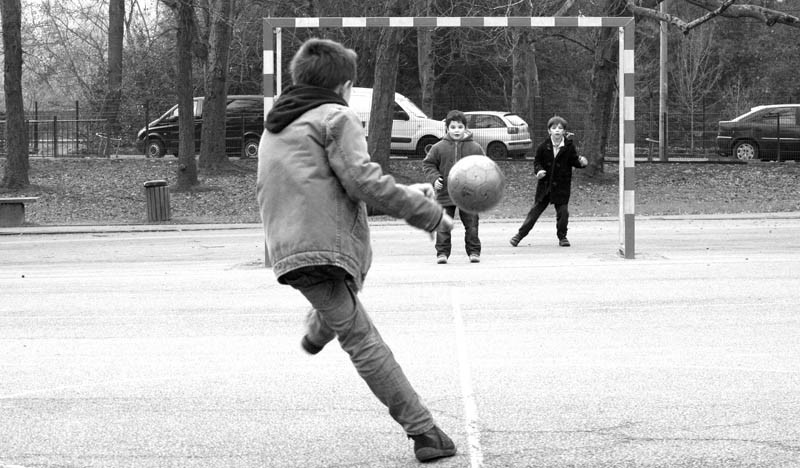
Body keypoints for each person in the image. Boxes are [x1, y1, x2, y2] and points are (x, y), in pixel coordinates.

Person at [256, 38, 457, 463]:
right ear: (345, 86)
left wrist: (411, 192)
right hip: (321, 250)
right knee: (362, 338)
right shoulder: (336, 116)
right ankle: (424, 432)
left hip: (290, 248)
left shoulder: (279, 125)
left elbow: (331, 194)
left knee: (339, 305)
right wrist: (430, 214)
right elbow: (362, 183)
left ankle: (316, 333)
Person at [509, 115, 588, 248]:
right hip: (545, 186)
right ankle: (519, 235)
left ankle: (562, 237)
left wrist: (582, 163)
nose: (557, 130)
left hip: (562, 187)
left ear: (564, 131)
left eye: (560, 128)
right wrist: (539, 171)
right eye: (554, 128)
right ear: (549, 131)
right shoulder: (543, 146)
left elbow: (574, 161)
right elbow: (537, 162)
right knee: (534, 213)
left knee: (563, 214)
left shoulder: (569, 147)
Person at [422, 110, 486, 264]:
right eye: (453, 127)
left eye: (459, 127)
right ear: (447, 129)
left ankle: (474, 252)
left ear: (465, 128)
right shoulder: (438, 147)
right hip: (445, 194)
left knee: (471, 225)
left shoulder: (475, 147)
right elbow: (428, 164)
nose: (456, 130)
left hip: (468, 195)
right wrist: (434, 178)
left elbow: (484, 167)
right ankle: (442, 253)